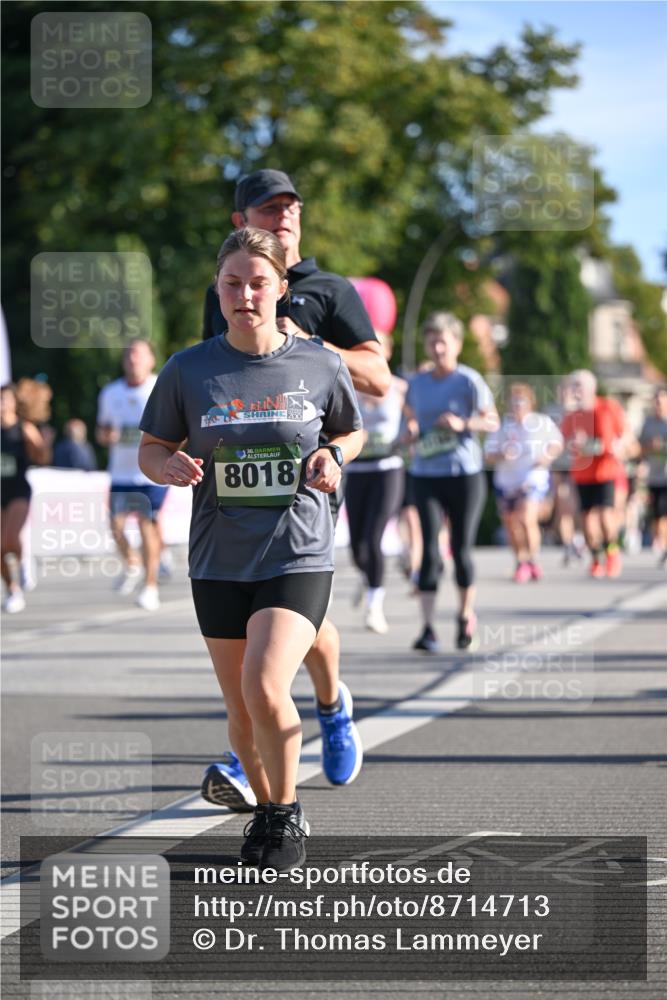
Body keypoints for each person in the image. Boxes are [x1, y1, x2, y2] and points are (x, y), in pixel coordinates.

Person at [139, 227, 363, 870]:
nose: (245, 294)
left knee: (265, 685)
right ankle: (267, 811)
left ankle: (285, 813)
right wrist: (168, 467)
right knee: (240, 706)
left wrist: (333, 455)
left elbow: (350, 430)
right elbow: (150, 448)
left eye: (258, 282)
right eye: (232, 283)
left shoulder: (320, 362)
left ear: (280, 289)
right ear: (219, 289)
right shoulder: (188, 368)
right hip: (217, 557)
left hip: (297, 548)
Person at [200, 169, 390, 806]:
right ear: (241, 223)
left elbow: (380, 376)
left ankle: (327, 709)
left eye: (290, 207)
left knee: (291, 615)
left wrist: (307, 344)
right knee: (279, 622)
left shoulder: (330, 290)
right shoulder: (228, 284)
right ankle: (260, 733)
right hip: (238, 486)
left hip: (311, 477)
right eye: (266, 209)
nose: (281, 217)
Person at [404, 312, 499, 653]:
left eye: (444, 341)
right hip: (426, 473)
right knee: (429, 551)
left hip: (464, 475)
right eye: (432, 341)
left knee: (460, 550)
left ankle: (464, 615)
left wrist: (463, 424)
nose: (438, 347)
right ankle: (428, 628)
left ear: (457, 344)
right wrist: (410, 431)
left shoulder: (469, 380)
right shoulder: (417, 383)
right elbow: (410, 420)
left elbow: (492, 421)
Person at [96, 339, 168, 610]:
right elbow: (101, 431)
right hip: (121, 472)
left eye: (138, 355)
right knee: (115, 527)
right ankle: (133, 563)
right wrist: (107, 436)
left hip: (150, 471)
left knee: (146, 526)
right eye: (128, 355)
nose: (133, 360)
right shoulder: (110, 392)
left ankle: (150, 587)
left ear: (151, 360)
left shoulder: (159, 387)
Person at [345, 331, 406, 633]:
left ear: (389, 353)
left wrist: (410, 433)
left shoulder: (400, 388)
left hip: (388, 469)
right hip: (357, 471)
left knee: (374, 537)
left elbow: (416, 421)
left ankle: (375, 605)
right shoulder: (350, 388)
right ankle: (367, 577)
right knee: (356, 548)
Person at [484, 383, 563, 581]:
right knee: (511, 523)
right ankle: (521, 561)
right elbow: (488, 454)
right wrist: (502, 454)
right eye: (514, 402)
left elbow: (557, 443)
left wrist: (546, 457)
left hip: (532, 478)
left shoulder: (540, 422)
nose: (518, 406)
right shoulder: (503, 426)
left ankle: (533, 559)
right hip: (507, 481)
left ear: (530, 403)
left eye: (522, 402)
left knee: (527, 518)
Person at [560, 370, 632, 578]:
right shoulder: (572, 416)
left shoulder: (608, 407)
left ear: (592, 388)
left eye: (579, 386)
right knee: (588, 523)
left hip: (606, 470)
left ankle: (612, 554)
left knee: (606, 518)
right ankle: (595, 558)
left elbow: (625, 434)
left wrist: (620, 445)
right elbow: (564, 442)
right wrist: (573, 444)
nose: (576, 391)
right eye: (574, 387)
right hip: (583, 473)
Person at [1, 383, 51, 612]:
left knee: (11, 539)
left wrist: (43, 441)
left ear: (14, 403)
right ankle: (12, 590)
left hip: (18, 489)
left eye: (5, 399)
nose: (1, 404)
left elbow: (42, 457)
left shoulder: (23, 428)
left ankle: (23, 561)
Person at [640, 386, 667, 566]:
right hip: (654, 476)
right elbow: (638, 448)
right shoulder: (648, 423)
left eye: (661, 401)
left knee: (665, 512)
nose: (658, 404)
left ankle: (664, 546)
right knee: (657, 514)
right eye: (655, 401)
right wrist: (650, 447)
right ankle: (662, 544)